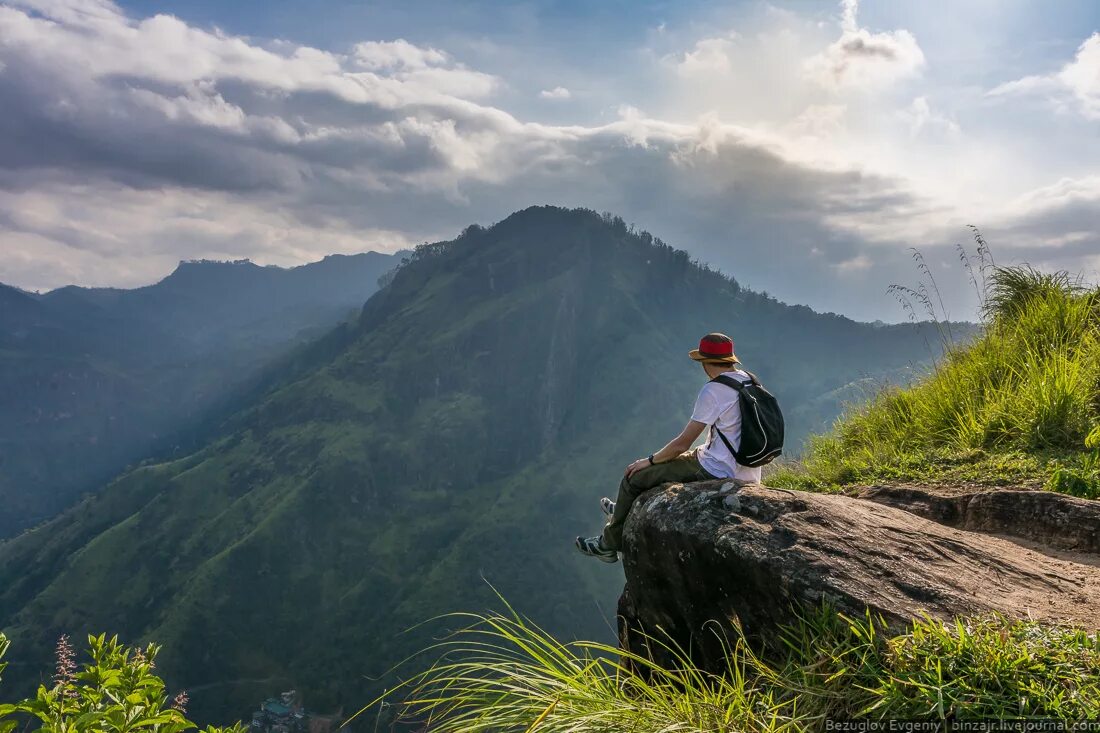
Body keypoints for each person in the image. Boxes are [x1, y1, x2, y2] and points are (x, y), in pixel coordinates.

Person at [575, 332, 763, 563]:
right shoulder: (749, 380)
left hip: (718, 469)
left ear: (704, 362)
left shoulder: (713, 390)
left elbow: (682, 443)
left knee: (634, 477)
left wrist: (650, 460)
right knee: (665, 466)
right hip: (748, 469)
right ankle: (623, 511)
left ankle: (608, 544)